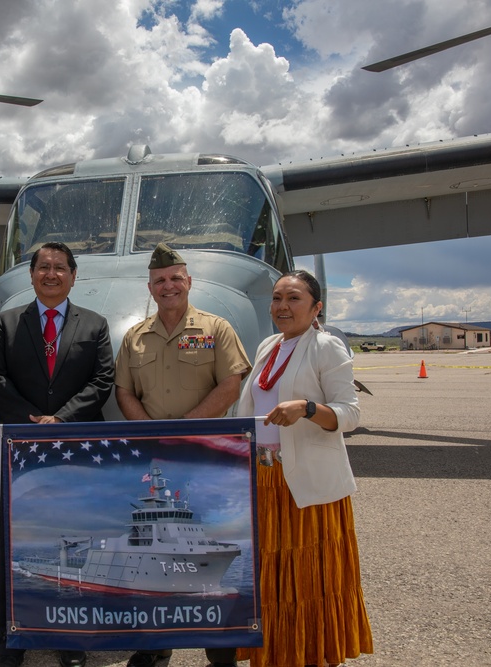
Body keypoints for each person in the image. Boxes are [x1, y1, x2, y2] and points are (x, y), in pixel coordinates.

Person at [114, 243, 251, 667]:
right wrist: (151, 434)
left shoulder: (216, 329)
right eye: (160, 280)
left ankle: (220, 645)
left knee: (205, 547)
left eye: (175, 278)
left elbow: (231, 384)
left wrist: (185, 430)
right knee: (154, 558)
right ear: (151, 288)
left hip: (207, 457)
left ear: (188, 282)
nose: (168, 286)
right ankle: (154, 646)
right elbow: (124, 392)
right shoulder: (136, 337)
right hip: (156, 457)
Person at [0, 241, 114, 667]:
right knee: (17, 542)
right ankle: (12, 636)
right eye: (43, 267)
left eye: (60, 267)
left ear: (74, 276)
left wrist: (60, 421)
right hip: (21, 451)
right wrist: (33, 420)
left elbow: (101, 382)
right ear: (32, 275)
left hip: (75, 450)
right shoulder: (5, 323)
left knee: (71, 541)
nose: (51, 274)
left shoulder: (95, 325)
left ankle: (71, 640)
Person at [234, 270, 372, 667]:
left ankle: (310, 654)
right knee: (272, 578)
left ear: (316, 307)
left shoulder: (326, 347)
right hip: (264, 478)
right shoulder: (268, 346)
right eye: (276, 298)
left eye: (293, 298)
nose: (281, 306)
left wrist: (307, 409)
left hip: (305, 483)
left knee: (309, 578)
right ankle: (278, 654)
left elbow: (350, 414)